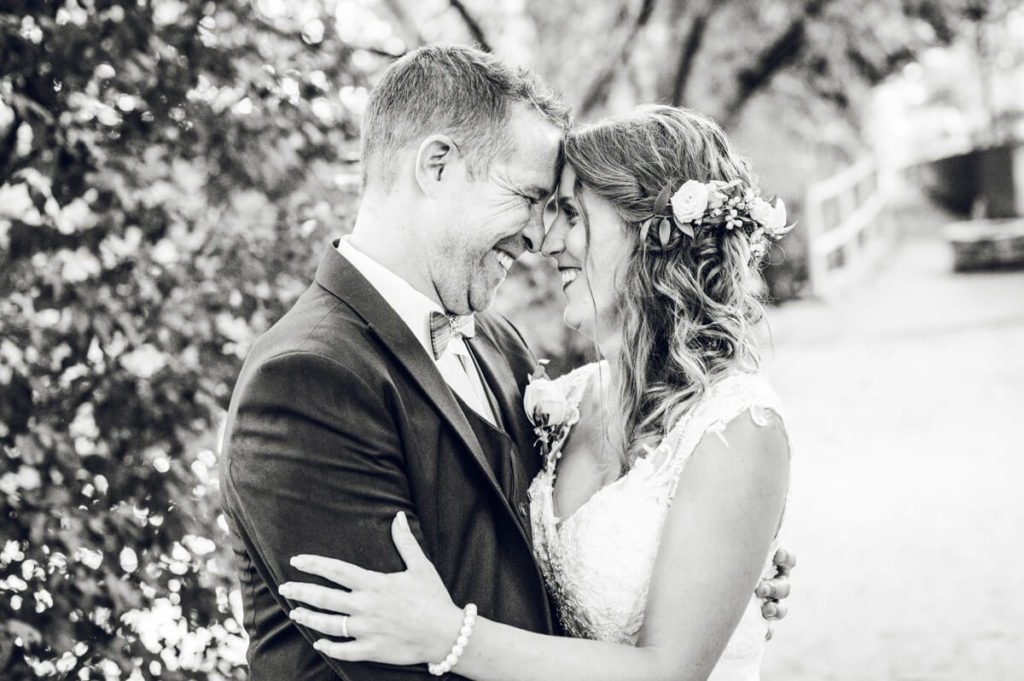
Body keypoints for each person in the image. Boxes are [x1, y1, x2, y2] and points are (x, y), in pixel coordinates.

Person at [220, 43, 791, 681]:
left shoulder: (498, 345)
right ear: (437, 165)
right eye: (530, 196)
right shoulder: (305, 379)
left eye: (565, 212)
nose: (540, 236)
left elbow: (542, 558)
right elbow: (381, 658)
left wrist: (715, 568)